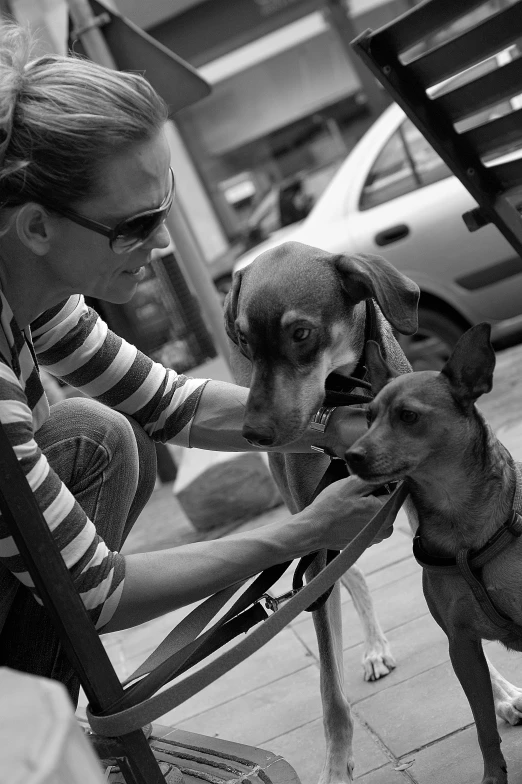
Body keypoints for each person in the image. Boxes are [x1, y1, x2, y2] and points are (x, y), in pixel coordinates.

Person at [0, 23, 385, 706]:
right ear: (36, 228)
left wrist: (338, 425)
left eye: (167, 210)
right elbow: (97, 592)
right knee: (97, 435)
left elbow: (174, 405)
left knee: (103, 432)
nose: (163, 244)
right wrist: (303, 531)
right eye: (137, 224)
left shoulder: (33, 296)